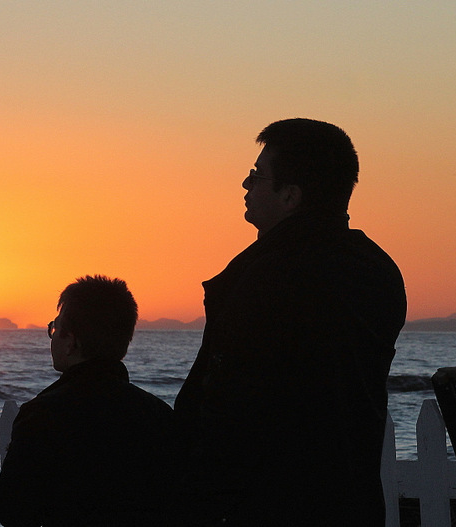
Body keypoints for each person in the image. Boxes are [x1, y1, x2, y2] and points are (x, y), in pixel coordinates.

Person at [173, 118, 407, 526]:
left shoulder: (264, 278)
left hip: (263, 505)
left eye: (256, 176)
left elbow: (227, 408)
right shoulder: (378, 271)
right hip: (350, 502)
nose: (246, 185)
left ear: (290, 196)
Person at [0, 275, 176, 527]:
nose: (52, 337)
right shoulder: (160, 416)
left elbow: (11, 506)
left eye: (54, 329)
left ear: (71, 342)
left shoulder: (43, 415)